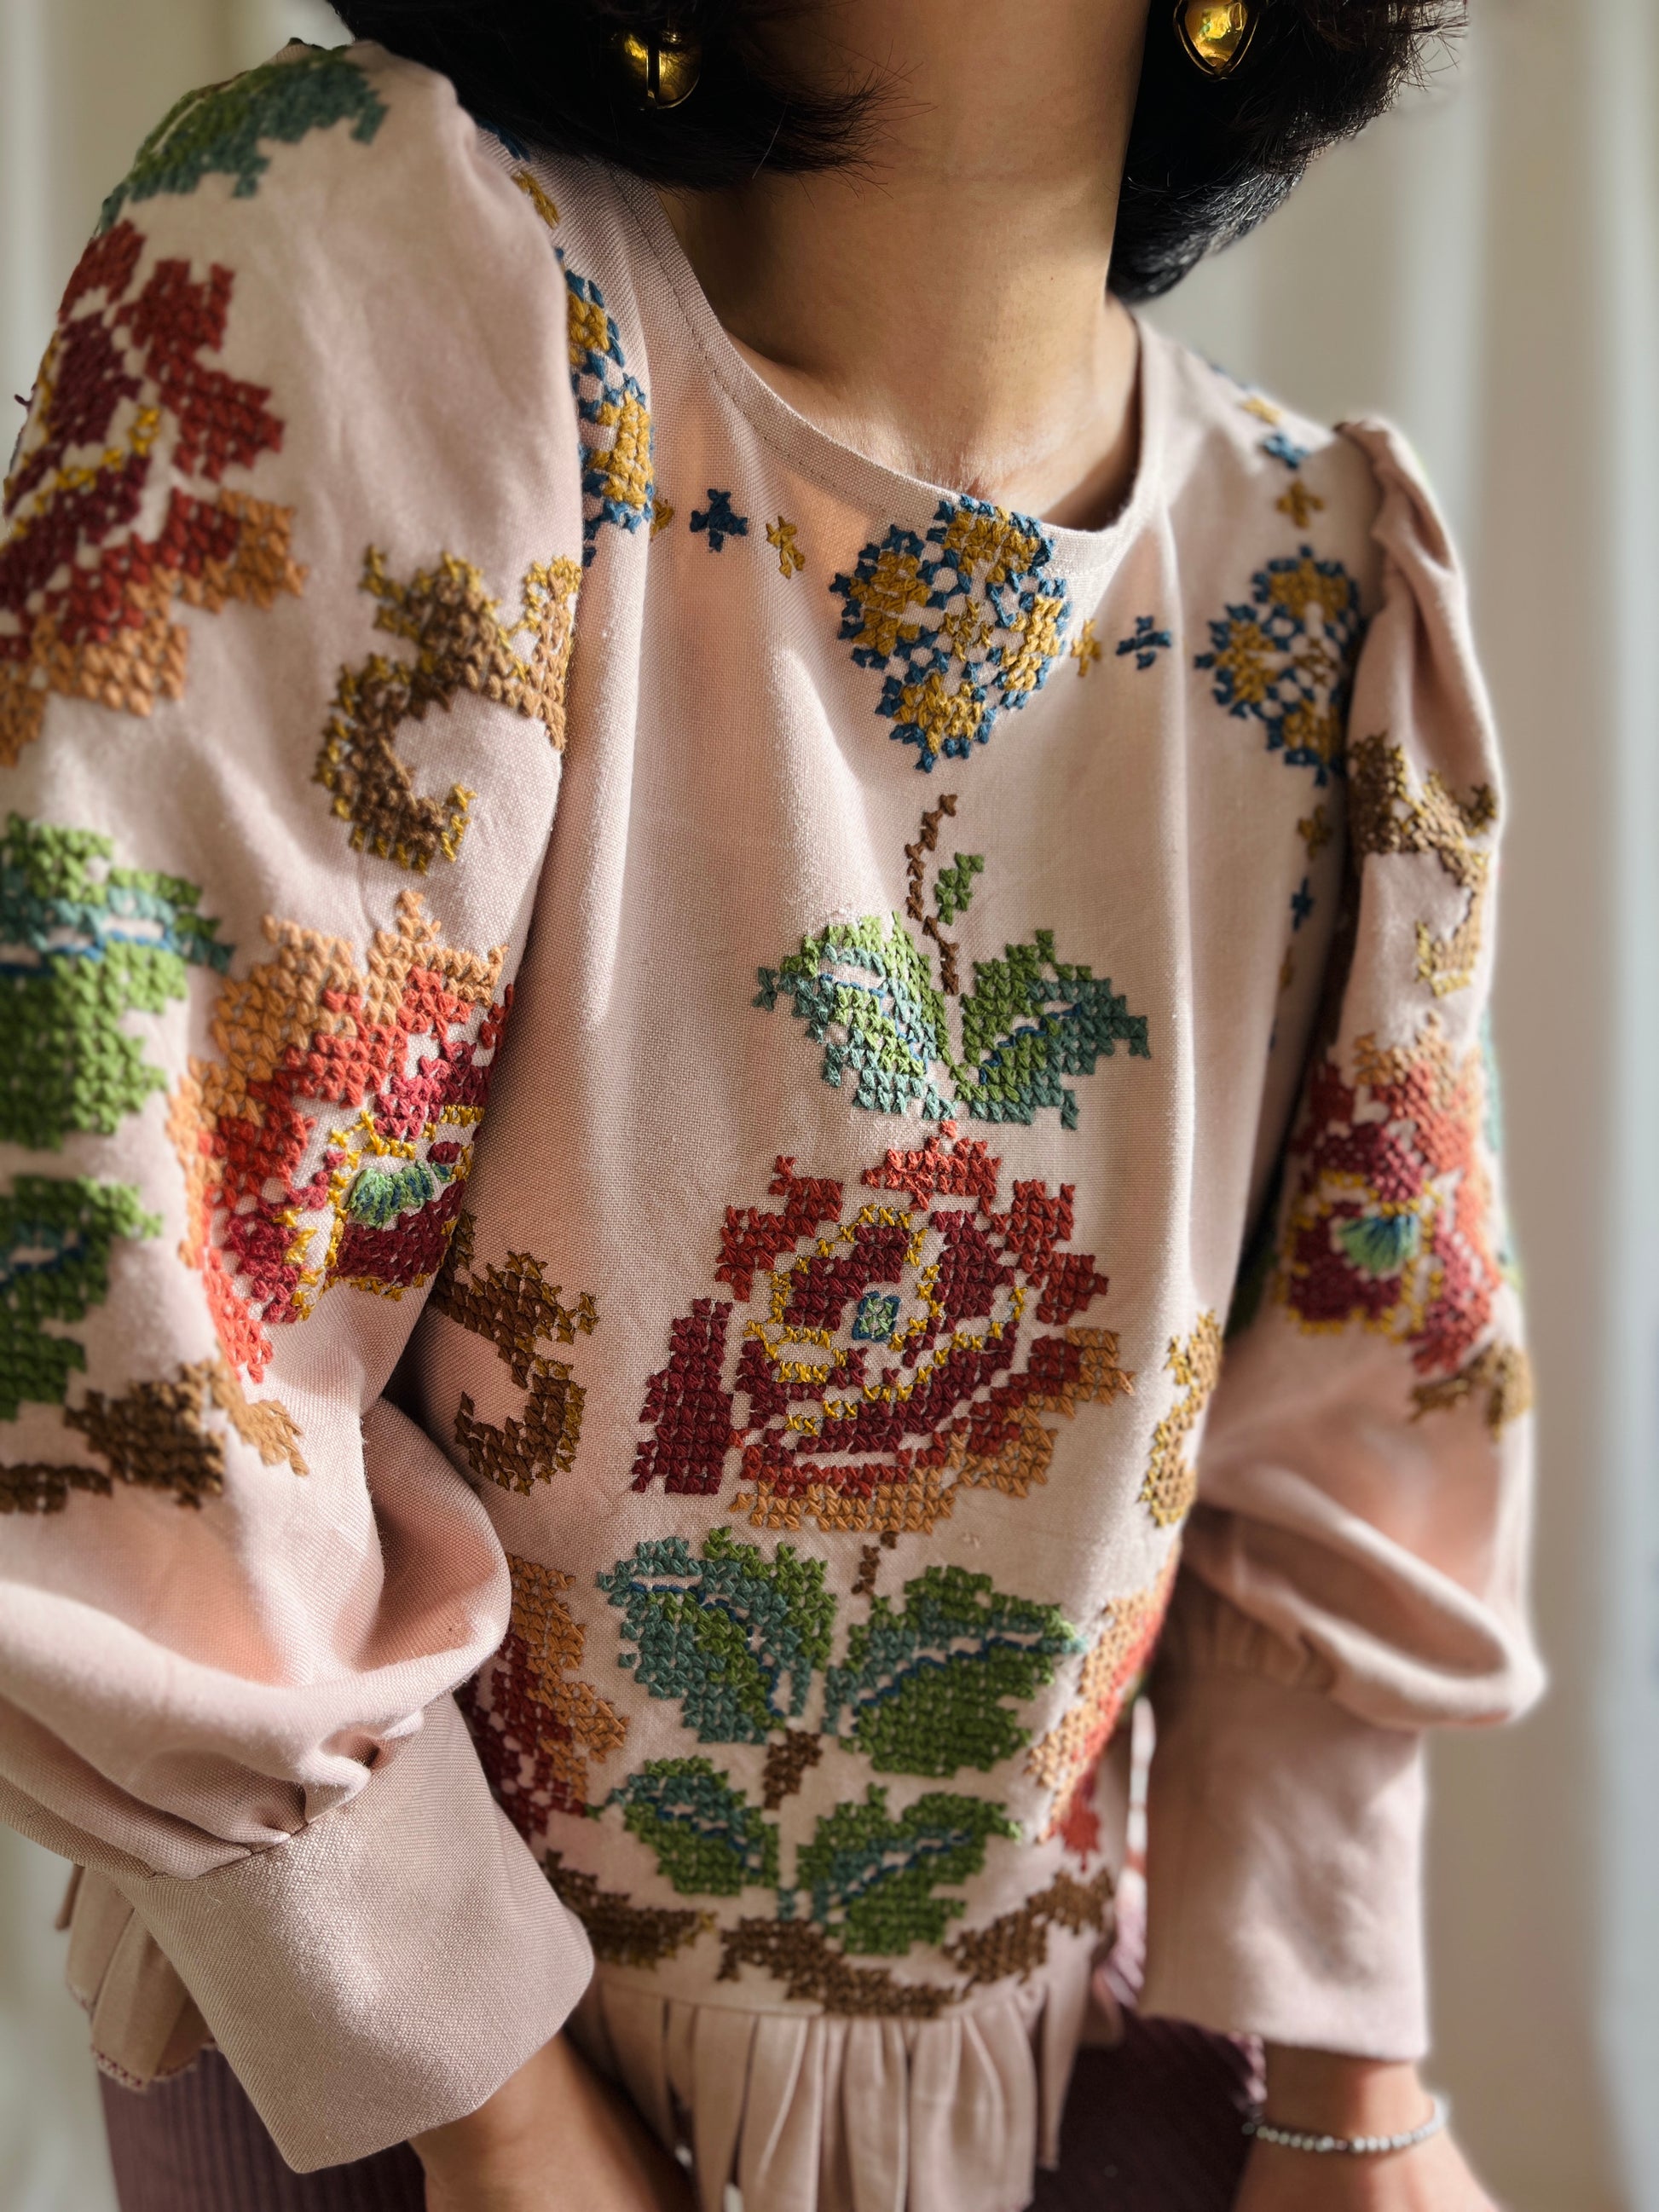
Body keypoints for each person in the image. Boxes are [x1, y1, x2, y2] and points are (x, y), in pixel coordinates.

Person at [0, 4, 1540, 2209]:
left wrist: (1346, 2094)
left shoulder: (1320, 581)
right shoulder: (390, 292)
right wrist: (494, 2107)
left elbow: (1359, 1404)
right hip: (399, 2106)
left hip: (1081, 2094)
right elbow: (110, 1286)